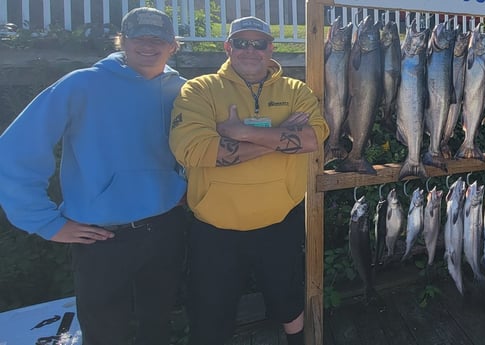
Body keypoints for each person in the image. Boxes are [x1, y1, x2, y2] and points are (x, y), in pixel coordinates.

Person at [0, 7, 188, 345]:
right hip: (101, 238)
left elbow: (197, 149)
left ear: (173, 45)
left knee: (157, 329)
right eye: (139, 38)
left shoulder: (184, 91)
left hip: (166, 229)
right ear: (122, 40)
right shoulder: (82, 84)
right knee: (104, 336)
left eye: (158, 39)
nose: (148, 45)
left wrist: (185, 187)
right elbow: (15, 150)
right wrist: (45, 222)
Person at [168, 16, 328, 345]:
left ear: (272, 48)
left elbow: (314, 139)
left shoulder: (295, 89)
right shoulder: (199, 89)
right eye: (242, 43)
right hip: (215, 230)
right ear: (228, 47)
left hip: (280, 221)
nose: (250, 50)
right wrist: (278, 139)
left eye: (259, 43)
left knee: (288, 298)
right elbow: (193, 150)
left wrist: (240, 133)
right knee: (211, 308)